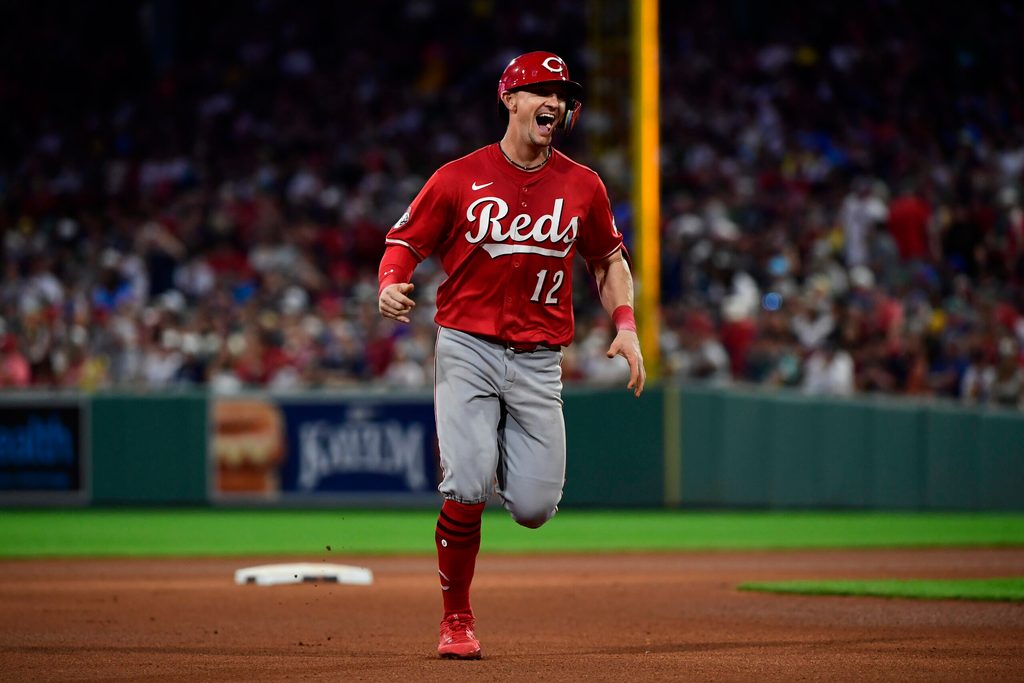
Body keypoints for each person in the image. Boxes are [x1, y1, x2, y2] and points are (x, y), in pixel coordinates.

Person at [377, 51, 645, 660]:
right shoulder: (458, 177)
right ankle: (456, 620)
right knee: (467, 483)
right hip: (467, 345)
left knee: (533, 507)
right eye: (541, 90)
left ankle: (487, 449)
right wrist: (389, 283)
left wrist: (625, 324)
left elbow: (608, 260)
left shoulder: (583, 184)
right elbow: (403, 240)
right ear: (510, 99)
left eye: (563, 93)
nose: (554, 101)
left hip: (538, 359)